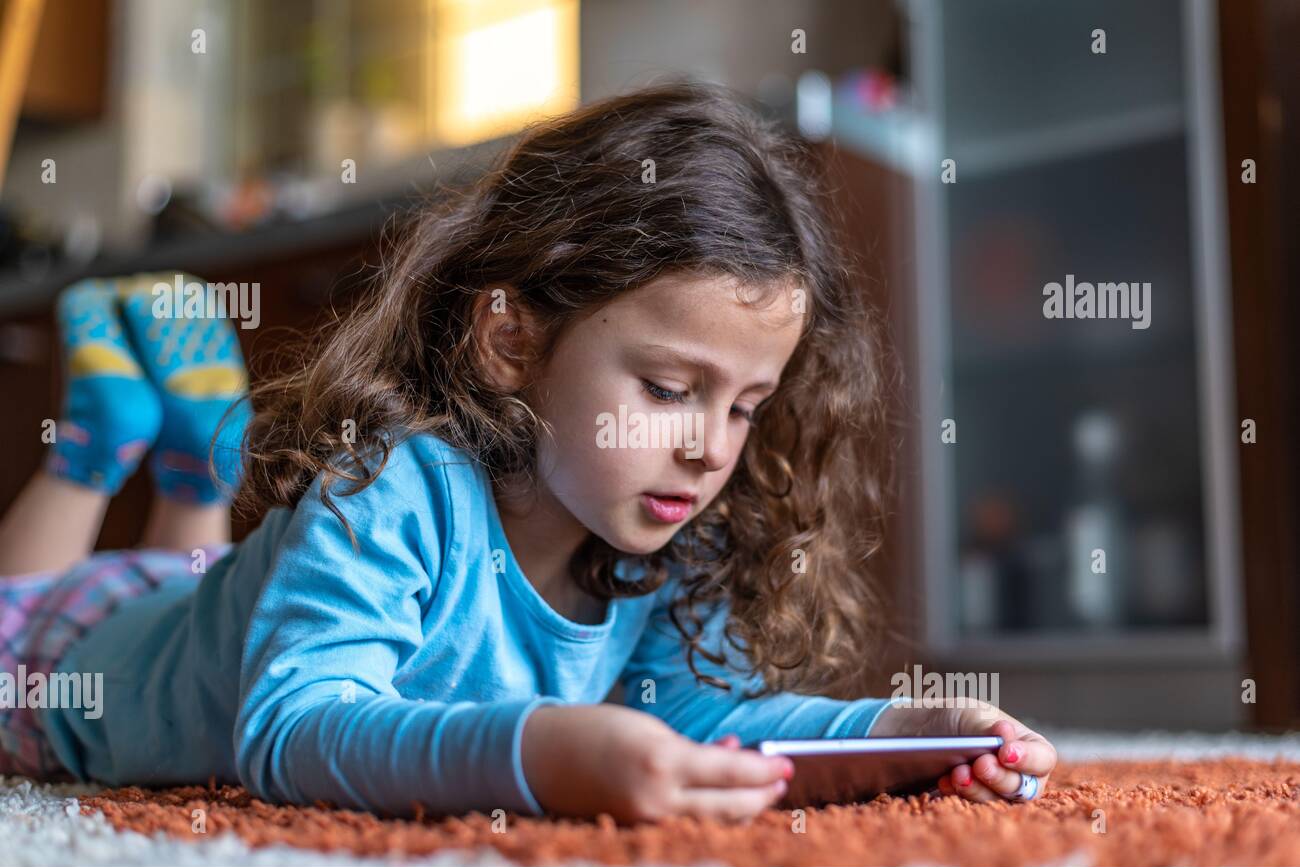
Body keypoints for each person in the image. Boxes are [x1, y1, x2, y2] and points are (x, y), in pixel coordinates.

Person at [0, 81, 1055, 823]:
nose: (707, 451)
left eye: (745, 408)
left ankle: (189, 469)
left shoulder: (657, 531)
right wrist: (543, 752)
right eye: (667, 390)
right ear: (511, 341)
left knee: (195, 586)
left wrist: (902, 728)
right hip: (79, 661)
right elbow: (291, 728)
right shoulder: (394, 488)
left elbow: (704, 714)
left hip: (202, 613)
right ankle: (95, 453)